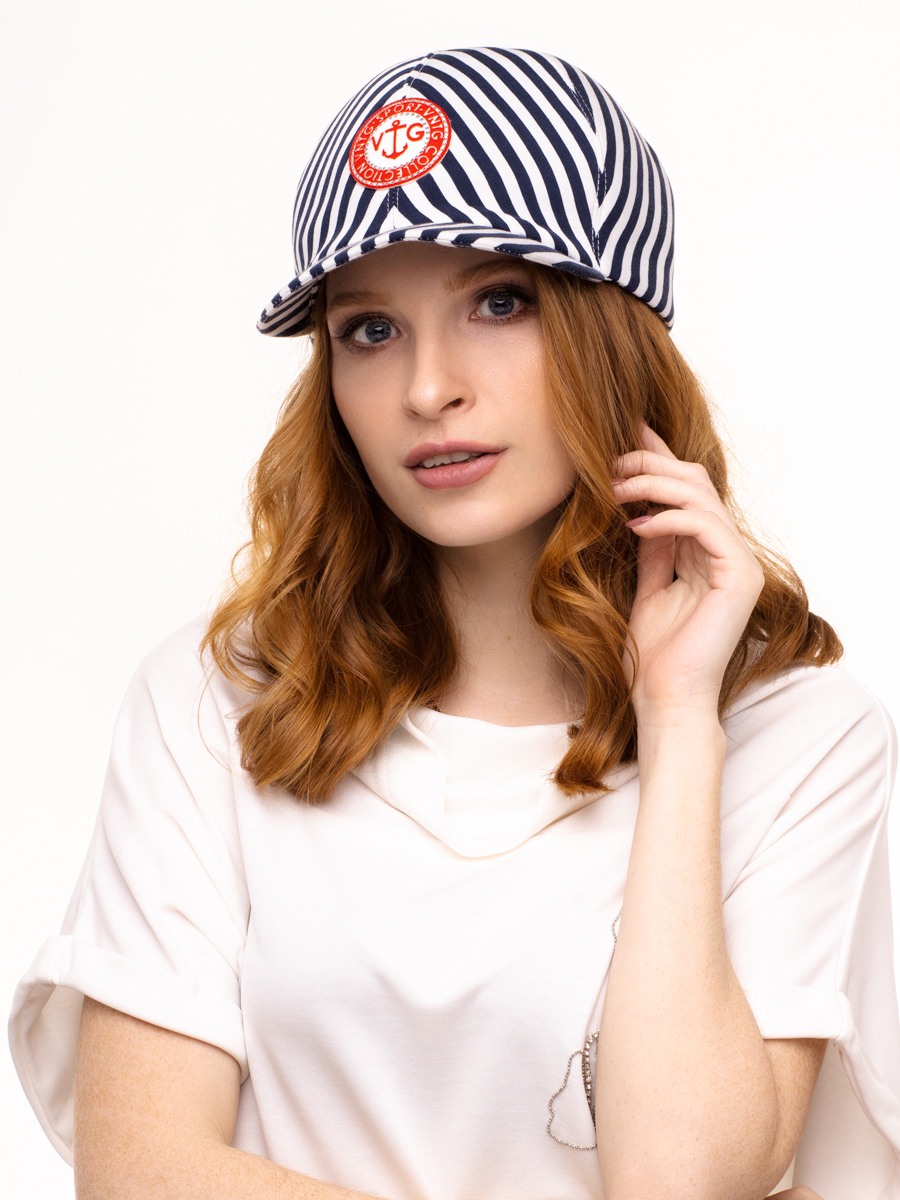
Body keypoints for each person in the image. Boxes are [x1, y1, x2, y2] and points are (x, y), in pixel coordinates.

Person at [8, 46, 900, 1200]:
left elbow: (681, 1180)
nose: (428, 388)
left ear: (613, 332)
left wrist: (680, 724)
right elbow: (140, 1174)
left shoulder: (801, 737)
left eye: (499, 301)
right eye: (369, 329)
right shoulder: (216, 702)